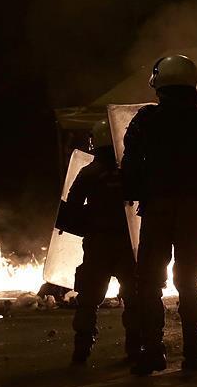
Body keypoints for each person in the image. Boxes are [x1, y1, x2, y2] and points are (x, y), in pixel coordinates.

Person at [121, 55, 197, 375]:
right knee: (189, 281)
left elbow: (129, 164)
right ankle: (194, 352)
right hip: (195, 209)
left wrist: (137, 192)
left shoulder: (146, 120)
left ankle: (152, 351)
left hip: (157, 208)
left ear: (160, 83)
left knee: (150, 283)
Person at [55, 120, 140, 364]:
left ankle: (81, 349)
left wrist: (88, 225)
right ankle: (135, 348)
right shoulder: (129, 170)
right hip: (126, 245)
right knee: (133, 298)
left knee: (89, 299)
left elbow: (70, 209)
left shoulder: (89, 172)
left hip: (97, 244)